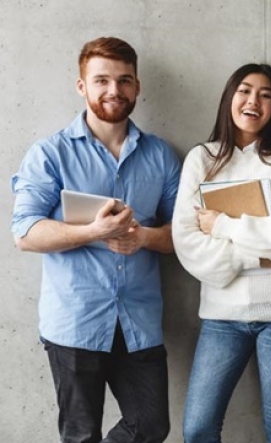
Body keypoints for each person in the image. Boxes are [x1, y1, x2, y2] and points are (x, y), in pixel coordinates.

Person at [10, 37, 180, 443]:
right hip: (74, 321)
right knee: (80, 434)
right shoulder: (49, 154)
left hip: (138, 321)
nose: (113, 91)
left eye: (124, 81)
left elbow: (182, 235)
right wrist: (94, 232)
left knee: (151, 425)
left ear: (137, 87)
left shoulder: (161, 156)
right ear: (81, 86)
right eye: (101, 80)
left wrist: (142, 237)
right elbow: (25, 232)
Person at [172, 63, 271, 443]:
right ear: (229, 98)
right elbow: (187, 243)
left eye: (266, 94)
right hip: (223, 316)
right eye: (245, 90)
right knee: (198, 427)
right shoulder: (202, 159)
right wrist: (255, 257)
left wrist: (222, 225)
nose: (254, 100)